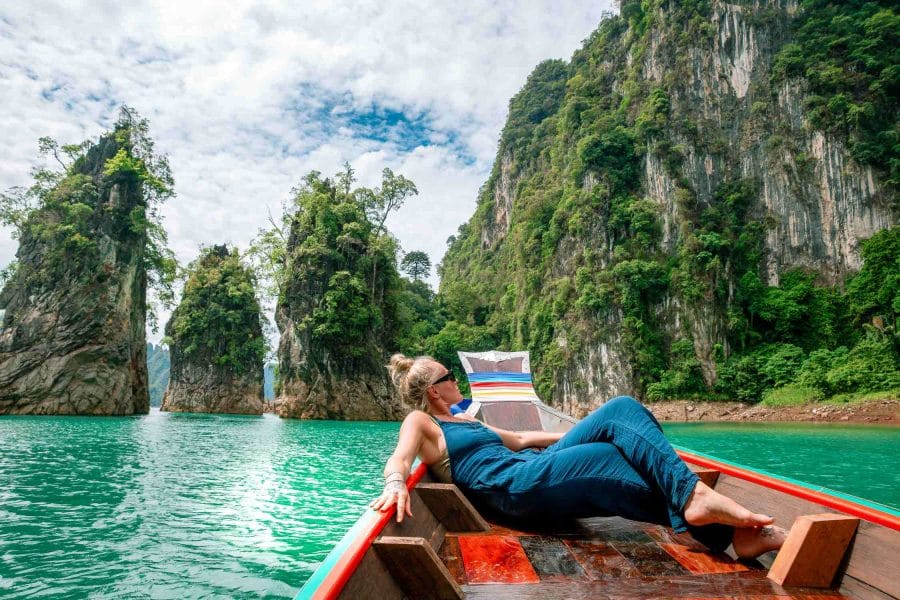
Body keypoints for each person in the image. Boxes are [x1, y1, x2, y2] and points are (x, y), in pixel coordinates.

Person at [370, 354, 786, 558]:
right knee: (609, 457)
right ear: (434, 392)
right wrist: (394, 485)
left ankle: (716, 525)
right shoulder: (423, 423)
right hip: (517, 490)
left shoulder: (470, 422)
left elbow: (517, 437)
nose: (456, 380)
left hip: (531, 467)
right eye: (449, 376)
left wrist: (581, 432)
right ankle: (707, 514)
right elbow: (399, 460)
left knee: (621, 412)